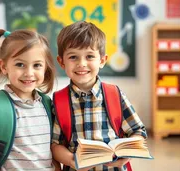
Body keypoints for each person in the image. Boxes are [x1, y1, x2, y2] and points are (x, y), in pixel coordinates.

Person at [51, 21, 148, 171]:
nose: (81, 63)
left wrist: (127, 152)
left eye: (89, 56)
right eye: (73, 57)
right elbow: (54, 144)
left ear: (102, 60)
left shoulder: (115, 94)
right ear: (61, 62)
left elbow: (138, 131)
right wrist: (71, 161)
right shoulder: (59, 100)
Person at [0, 29, 60, 171]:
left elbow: (51, 152)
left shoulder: (46, 105)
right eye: (20, 64)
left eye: (37, 65)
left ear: (45, 67)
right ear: (4, 66)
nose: (29, 73)